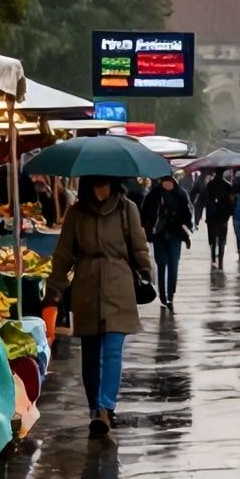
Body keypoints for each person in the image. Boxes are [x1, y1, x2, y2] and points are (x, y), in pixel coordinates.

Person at [46, 176, 152, 440]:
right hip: (87, 285)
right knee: (91, 352)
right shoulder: (76, 212)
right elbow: (63, 253)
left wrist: (146, 274)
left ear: (114, 184)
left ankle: (106, 406)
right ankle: (95, 406)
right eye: (96, 184)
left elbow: (139, 245)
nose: (101, 190)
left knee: (113, 349)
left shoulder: (127, 208)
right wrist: (54, 289)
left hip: (119, 282)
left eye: (105, 184)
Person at [140, 175, 192, 311]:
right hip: (158, 235)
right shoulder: (153, 195)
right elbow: (144, 214)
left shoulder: (180, 194)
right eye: (165, 181)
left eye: (169, 181)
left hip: (175, 234)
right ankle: (163, 294)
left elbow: (187, 214)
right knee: (161, 263)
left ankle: (170, 295)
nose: (168, 184)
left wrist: (185, 226)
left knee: (173, 264)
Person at [200, 170, 236, 270]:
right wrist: (230, 214)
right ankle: (220, 259)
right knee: (222, 239)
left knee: (212, 239)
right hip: (223, 217)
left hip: (211, 217)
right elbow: (231, 202)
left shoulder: (209, 185)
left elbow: (205, 200)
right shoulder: (227, 186)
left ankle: (213, 258)